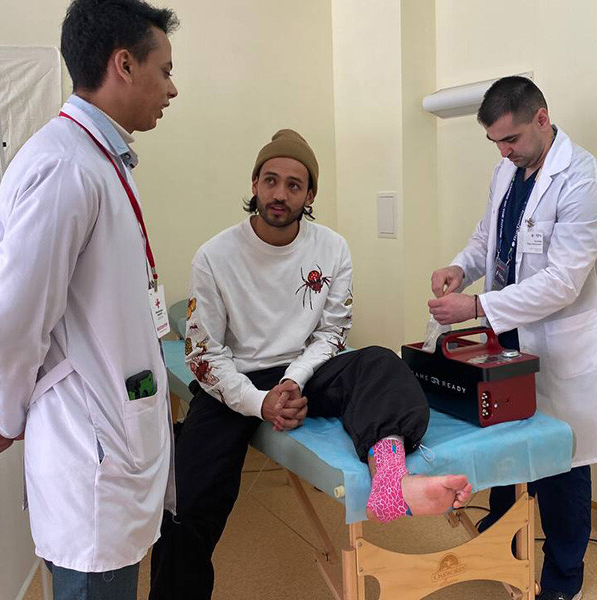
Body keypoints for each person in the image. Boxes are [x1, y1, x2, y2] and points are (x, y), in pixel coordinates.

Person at [149, 129, 472, 598]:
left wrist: (294, 380)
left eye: (294, 185)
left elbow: (332, 333)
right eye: (271, 180)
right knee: (188, 500)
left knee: (379, 362)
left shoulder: (332, 248)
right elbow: (203, 354)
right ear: (255, 184)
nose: (280, 194)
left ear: (310, 194)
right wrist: (260, 403)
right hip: (234, 378)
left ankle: (390, 476)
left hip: (306, 368)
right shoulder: (215, 257)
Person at [0, 1, 179, 597]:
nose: (172, 89)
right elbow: (10, 322)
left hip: (110, 431)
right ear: (124, 65)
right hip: (90, 455)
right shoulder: (66, 168)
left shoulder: (102, 159)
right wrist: (6, 412)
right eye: (164, 70)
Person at [428, 76, 597, 600]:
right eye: (494, 142)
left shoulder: (584, 182)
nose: (503, 151)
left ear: (542, 118)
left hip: (556, 342)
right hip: (507, 335)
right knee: (506, 449)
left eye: (510, 139)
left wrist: (476, 307)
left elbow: (562, 282)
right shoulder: (507, 169)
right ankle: (503, 549)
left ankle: (563, 579)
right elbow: (488, 238)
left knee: (560, 465)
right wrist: (461, 268)